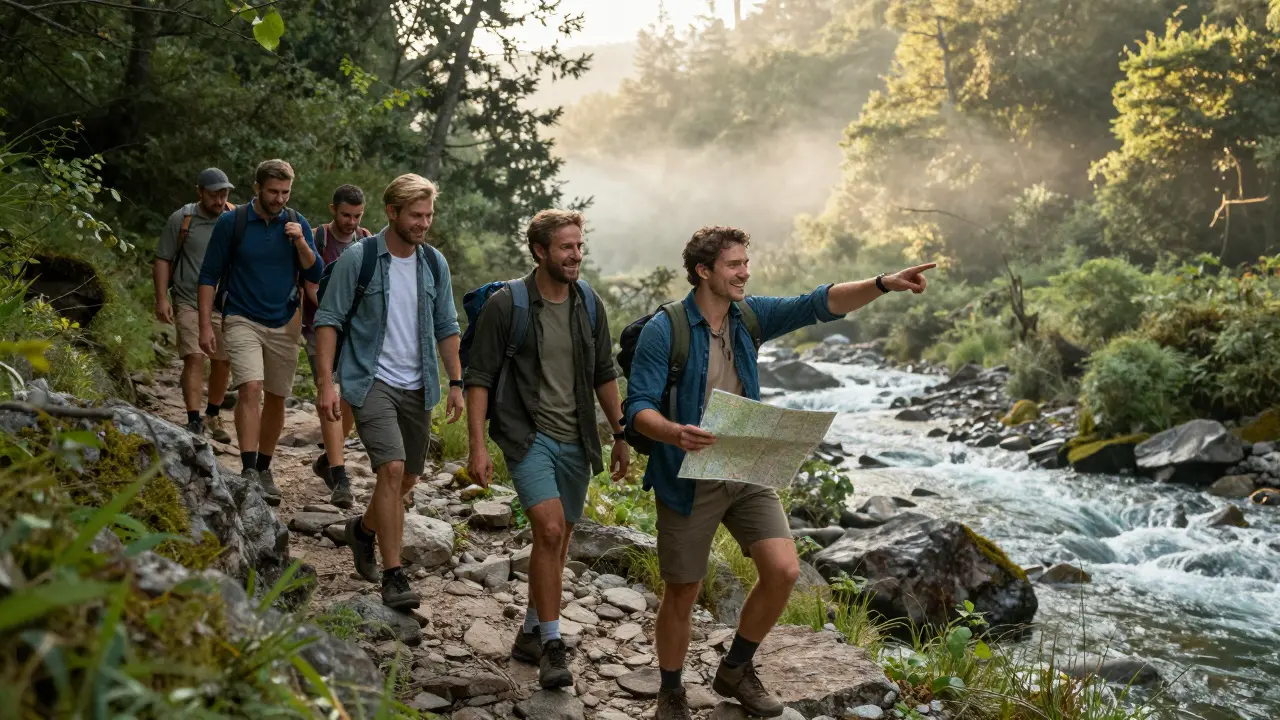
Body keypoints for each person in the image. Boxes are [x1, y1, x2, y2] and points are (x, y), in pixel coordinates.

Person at [624, 226, 935, 719]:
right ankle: (671, 691)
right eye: (733, 265)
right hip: (687, 474)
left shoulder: (749, 315)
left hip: (746, 463)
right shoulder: (667, 330)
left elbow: (817, 303)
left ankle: (735, 671)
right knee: (682, 589)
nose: (745, 272)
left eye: (746, 262)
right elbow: (636, 405)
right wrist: (673, 433)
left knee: (785, 570)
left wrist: (882, 283)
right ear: (704, 272)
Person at [464, 209, 629, 689]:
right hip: (526, 435)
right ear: (540, 251)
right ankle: (554, 646)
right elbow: (479, 380)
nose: (576, 255)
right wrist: (478, 448)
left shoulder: (589, 304)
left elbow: (604, 374)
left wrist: (619, 434)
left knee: (559, 541)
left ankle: (531, 631)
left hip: (577, 439)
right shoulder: (506, 305)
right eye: (566, 248)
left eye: (579, 246)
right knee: (551, 530)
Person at [314, 173, 463, 610]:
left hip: (418, 384)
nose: (423, 223)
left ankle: (361, 531)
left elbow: (447, 326)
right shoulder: (358, 259)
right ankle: (394, 575)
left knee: (408, 480)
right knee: (392, 470)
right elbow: (329, 320)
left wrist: (456, 382)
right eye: (415, 215)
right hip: (370, 378)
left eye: (428, 215)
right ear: (392, 212)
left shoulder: (434, 263)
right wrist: (327, 383)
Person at [197, 159, 323, 507]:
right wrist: (206, 325)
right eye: (272, 192)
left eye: (285, 192)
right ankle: (249, 467)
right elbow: (208, 274)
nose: (279, 199)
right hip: (240, 317)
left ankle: (265, 468)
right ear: (257, 188)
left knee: (277, 397)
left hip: (284, 321)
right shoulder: (232, 222)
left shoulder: (297, 223)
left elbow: (316, 272)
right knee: (251, 387)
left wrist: (300, 242)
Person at [153, 167, 236, 443]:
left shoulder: (234, 218)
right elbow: (163, 258)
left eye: (224, 194)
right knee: (195, 355)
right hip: (187, 298)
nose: (220, 200)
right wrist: (162, 298)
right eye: (214, 195)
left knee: (223, 361)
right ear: (200, 192)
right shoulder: (183, 219)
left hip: (223, 303)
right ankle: (193, 420)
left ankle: (213, 414)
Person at [302, 184, 371, 509]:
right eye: (346, 215)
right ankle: (340, 477)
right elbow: (311, 286)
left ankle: (328, 459)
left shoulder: (366, 241)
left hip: (355, 333)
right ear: (334, 210)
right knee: (328, 394)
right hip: (320, 329)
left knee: (353, 399)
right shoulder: (319, 239)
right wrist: (337, 309)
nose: (351, 222)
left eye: (357, 216)